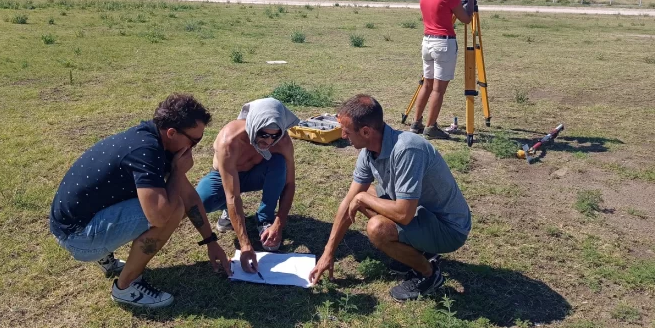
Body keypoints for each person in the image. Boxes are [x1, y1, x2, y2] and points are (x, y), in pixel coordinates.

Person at [49, 93, 231, 308]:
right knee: (171, 210)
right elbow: (161, 216)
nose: (195, 147)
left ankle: (106, 256)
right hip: (77, 238)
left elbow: (189, 196)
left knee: (163, 198)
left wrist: (210, 241)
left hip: (73, 224)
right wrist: (176, 174)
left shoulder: (150, 138)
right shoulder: (147, 152)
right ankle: (125, 288)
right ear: (172, 132)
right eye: (195, 140)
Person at [309, 94, 471, 302]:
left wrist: (362, 200)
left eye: (347, 131)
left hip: (449, 229)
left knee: (377, 228)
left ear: (366, 131)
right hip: (422, 216)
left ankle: (428, 273)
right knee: (362, 194)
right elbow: (350, 200)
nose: (342, 136)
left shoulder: (407, 149)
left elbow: (404, 214)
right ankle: (415, 249)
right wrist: (328, 253)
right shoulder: (368, 152)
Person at [196, 97, 300, 274]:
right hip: (226, 179)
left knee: (279, 164)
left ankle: (265, 218)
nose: (268, 141)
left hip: (255, 175)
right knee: (200, 201)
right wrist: (245, 244)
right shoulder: (229, 141)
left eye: (274, 135)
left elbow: (289, 183)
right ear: (252, 125)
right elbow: (232, 195)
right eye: (263, 134)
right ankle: (227, 212)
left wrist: (279, 223)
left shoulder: (281, 141)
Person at [410, 0, 477, 139]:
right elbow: (466, 19)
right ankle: (431, 127)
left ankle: (416, 123)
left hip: (427, 42)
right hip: (443, 43)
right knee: (438, 89)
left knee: (427, 85)